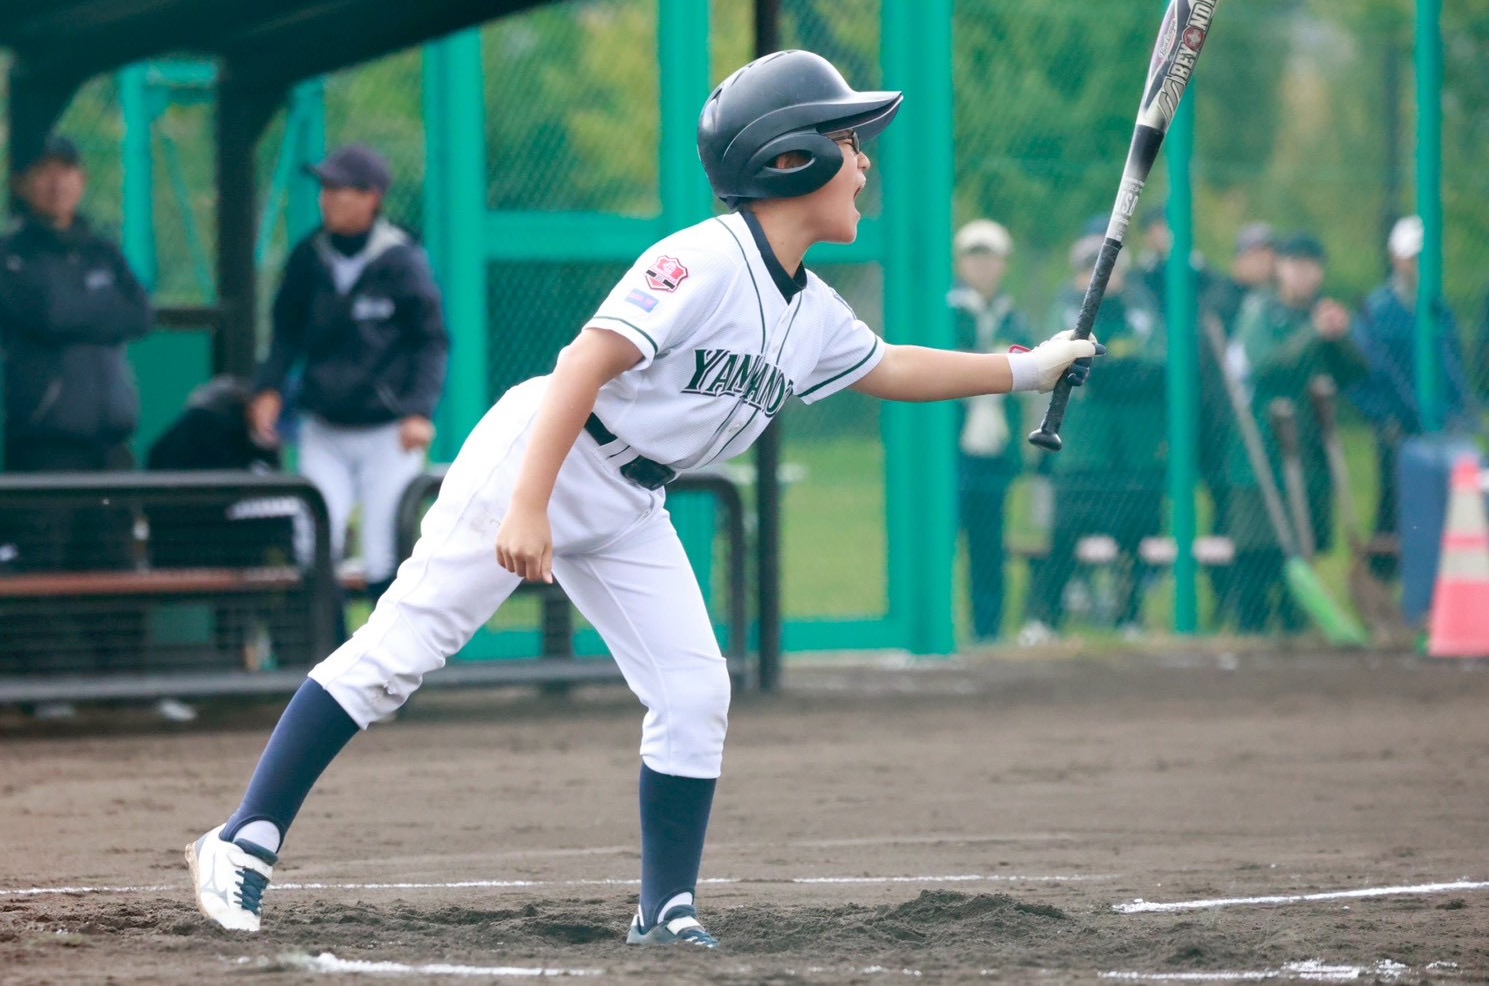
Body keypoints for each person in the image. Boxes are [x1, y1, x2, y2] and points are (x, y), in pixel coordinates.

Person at [184, 50, 1101, 949]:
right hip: (545, 451)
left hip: (631, 499)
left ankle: (663, 910)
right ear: (790, 158)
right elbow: (583, 363)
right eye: (847, 141)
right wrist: (529, 506)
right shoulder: (701, 260)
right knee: (400, 651)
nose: (863, 162)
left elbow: (890, 364)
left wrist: (1025, 368)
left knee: (695, 689)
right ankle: (242, 839)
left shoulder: (811, 308)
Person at [248, 145, 449, 608]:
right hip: (325, 427)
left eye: (340, 189)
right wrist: (268, 388)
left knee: (384, 555)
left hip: (388, 432)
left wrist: (419, 410)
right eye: (325, 188)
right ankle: (328, 664)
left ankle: (386, 673)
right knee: (313, 544)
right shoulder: (309, 256)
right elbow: (285, 334)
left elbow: (432, 340)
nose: (328, 198)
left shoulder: (401, 260)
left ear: (371, 198)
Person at [0, 135, 153, 707]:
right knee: (41, 567)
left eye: (67, 169)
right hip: (44, 444)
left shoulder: (102, 250)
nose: (57, 181)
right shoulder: (12, 252)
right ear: (20, 184)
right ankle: (48, 689)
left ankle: (127, 690)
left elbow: (138, 312)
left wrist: (77, 309)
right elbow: (45, 311)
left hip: (109, 440)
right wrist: (94, 309)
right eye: (43, 171)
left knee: (114, 564)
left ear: (82, 180)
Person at [1219, 233, 1366, 633]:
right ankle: (1252, 623)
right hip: (1263, 441)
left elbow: (1356, 372)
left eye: (1311, 266)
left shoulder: (1322, 313)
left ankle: (1296, 620)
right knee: (1258, 537)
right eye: (1295, 265)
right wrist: (1313, 334)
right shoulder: (1261, 311)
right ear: (1280, 268)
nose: (1303, 275)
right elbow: (1266, 363)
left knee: (1307, 536)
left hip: (1311, 443)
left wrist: (1341, 336)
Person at [1024, 231, 1164, 638]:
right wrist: (1117, 369)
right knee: (1065, 535)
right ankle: (1044, 619)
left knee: (1132, 539)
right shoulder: (1068, 310)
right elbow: (1067, 362)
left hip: (1132, 451)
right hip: (1081, 450)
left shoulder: (1142, 308)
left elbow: (1154, 363)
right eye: (1091, 268)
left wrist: (1112, 369)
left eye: (1108, 268)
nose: (1100, 276)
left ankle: (1130, 617)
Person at [1347, 215, 1477, 566]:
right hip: (1397, 431)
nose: (1418, 264)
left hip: (1441, 428)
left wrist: (1459, 410)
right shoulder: (1379, 312)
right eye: (1412, 256)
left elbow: (1452, 369)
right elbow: (1360, 379)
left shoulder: (1437, 310)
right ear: (1395, 258)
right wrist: (1383, 417)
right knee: (1396, 509)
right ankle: (1391, 579)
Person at [949, 219, 1032, 642]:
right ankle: (939, 627)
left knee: (989, 545)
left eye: (990, 258)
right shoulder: (946, 311)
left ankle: (988, 630)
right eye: (973, 257)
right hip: (950, 451)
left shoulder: (1013, 318)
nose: (982, 267)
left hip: (995, 453)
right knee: (941, 540)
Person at [1198, 222, 1279, 624]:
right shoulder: (1219, 302)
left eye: (1269, 254)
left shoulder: (1274, 304)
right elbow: (1210, 375)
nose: (1263, 263)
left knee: (1268, 524)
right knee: (1226, 521)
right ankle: (1226, 603)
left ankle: (1268, 605)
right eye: (1255, 254)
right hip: (1223, 433)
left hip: (1265, 434)